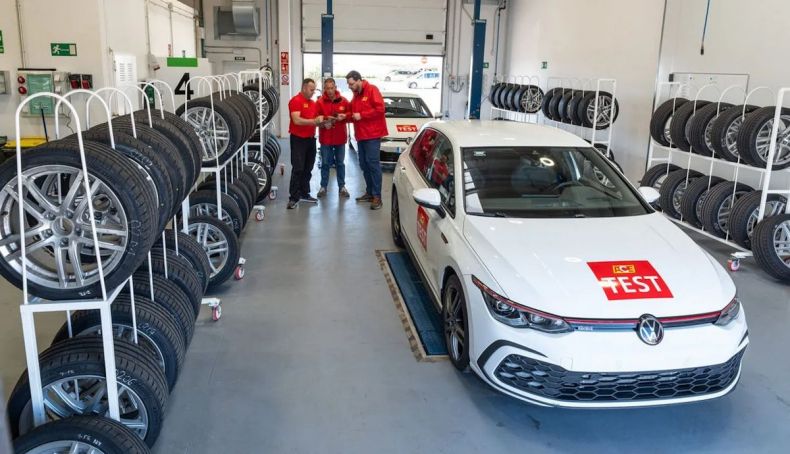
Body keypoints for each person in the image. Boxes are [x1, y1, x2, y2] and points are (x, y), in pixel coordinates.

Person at [346, 70, 388, 210]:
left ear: (359, 80)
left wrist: (362, 115)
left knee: (373, 164)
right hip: (361, 135)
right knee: (364, 165)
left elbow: (380, 109)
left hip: (372, 135)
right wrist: (344, 116)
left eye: (351, 84)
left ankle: (377, 197)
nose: (350, 87)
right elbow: (352, 113)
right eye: (348, 84)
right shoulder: (356, 95)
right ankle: (370, 192)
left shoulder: (372, 90)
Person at [287, 78, 324, 210]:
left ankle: (304, 193)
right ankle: (293, 197)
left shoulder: (313, 103)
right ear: (304, 88)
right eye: (311, 89)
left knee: (308, 168)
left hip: (310, 139)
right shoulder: (296, 101)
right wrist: (314, 122)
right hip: (298, 140)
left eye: (314, 90)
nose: (313, 92)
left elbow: (316, 120)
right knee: (298, 168)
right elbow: (296, 120)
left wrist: (324, 122)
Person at [315, 78, 351, 198]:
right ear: (324, 89)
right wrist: (324, 121)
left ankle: (342, 187)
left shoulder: (344, 101)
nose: (330, 91)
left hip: (340, 138)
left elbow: (350, 115)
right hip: (326, 139)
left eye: (332, 88)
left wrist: (344, 116)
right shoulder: (319, 102)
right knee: (325, 163)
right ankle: (323, 187)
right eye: (327, 88)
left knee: (340, 163)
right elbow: (315, 119)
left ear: (335, 87)